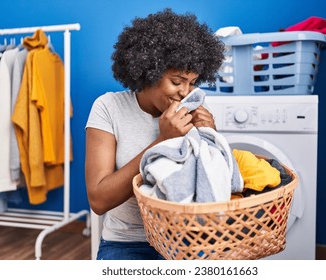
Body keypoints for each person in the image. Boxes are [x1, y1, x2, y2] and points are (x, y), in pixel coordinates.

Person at [85, 8, 225, 260]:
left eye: (192, 82)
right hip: (127, 242)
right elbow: (98, 200)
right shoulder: (108, 108)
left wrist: (212, 141)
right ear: (148, 70)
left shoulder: (192, 114)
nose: (185, 92)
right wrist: (162, 142)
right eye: (177, 81)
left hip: (188, 240)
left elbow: (213, 189)